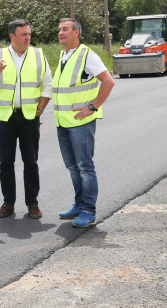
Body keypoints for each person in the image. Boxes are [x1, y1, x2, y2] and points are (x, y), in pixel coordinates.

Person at [0, 19, 52, 219]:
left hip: (30, 117)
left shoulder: (38, 55)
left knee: (31, 163)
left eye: (29, 34)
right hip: (5, 118)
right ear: (12, 37)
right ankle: (8, 203)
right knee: (5, 163)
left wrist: (39, 110)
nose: (28, 38)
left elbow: (48, 85)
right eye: (24, 35)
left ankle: (32, 203)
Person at [52, 18, 115, 228]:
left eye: (65, 29)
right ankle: (79, 205)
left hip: (81, 123)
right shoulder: (64, 55)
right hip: (63, 123)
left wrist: (93, 106)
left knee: (85, 167)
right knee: (73, 167)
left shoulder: (87, 55)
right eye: (59, 29)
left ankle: (89, 211)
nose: (60, 33)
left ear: (76, 32)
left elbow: (108, 81)